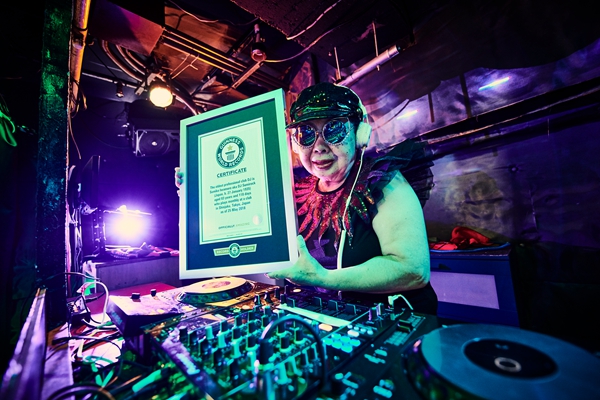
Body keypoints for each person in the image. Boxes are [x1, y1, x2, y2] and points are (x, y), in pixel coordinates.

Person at [176, 82, 437, 314]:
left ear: (359, 133)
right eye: (306, 134)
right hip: (325, 322)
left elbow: (412, 270)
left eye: (334, 130)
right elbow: (241, 219)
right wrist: (197, 192)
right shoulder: (296, 190)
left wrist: (323, 278)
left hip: (391, 323)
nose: (319, 147)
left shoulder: (382, 181)